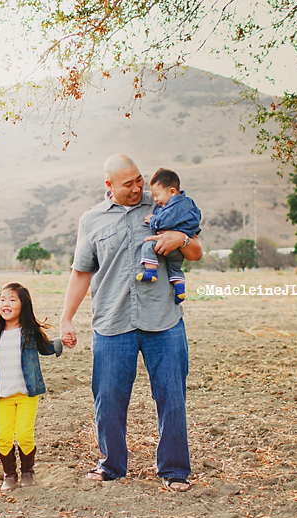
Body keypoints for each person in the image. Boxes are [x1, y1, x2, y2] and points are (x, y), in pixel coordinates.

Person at [59, 154, 203, 491]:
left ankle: (174, 470)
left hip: (164, 320)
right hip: (111, 321)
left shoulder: (165, 206)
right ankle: (111, 465)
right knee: (107, 397)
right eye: (129, 183)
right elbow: (81, 273)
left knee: (172, 396)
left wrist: (180, 240)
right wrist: (67, 317)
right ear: (109, 185)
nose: (138, 187)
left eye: (139, 179)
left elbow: (196, 250)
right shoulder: (91, 220)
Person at [0, 282, 62, 491]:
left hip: (27, 393)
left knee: (24, 434)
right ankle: (9, 473)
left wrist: (61, 343)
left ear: (23, 305)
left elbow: (46, 348)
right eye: (2, 299)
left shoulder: (29, 333)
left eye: (12, 299)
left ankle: (27, 471)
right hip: (4, 396)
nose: (5, 303)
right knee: (3, 437)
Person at [136, 167, 202, 304]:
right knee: (174, 267)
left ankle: (150, 272)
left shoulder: (173, 207)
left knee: (148, 246)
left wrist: (152, 220)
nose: (155, 199)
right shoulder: (188, 202)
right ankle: (180, 290)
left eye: (157, 195)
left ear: (172, 191)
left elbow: (164, 221)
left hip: (169, 244)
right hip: (178, 252)